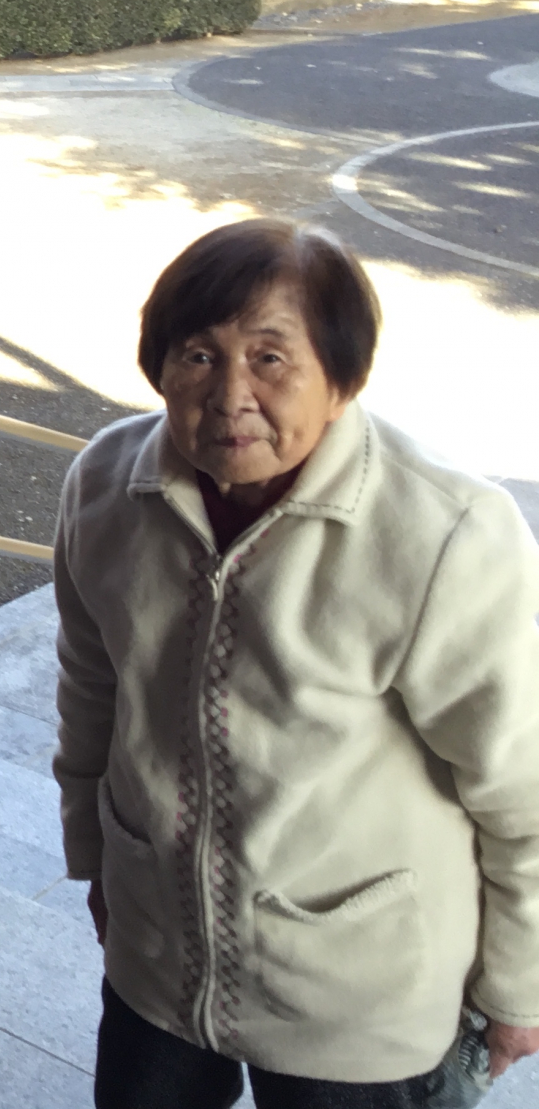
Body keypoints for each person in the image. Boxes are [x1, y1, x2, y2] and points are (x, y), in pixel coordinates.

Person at [53, 218, 539, 1107]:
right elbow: (92, 690)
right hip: (158, 954)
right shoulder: (105, 486)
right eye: (199, 356)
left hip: (354, 999)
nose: (231, 396)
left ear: (343, 380)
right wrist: (95, 859)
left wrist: (520, 987)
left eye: (271, 358)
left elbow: (522, 785)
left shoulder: (445, 534)